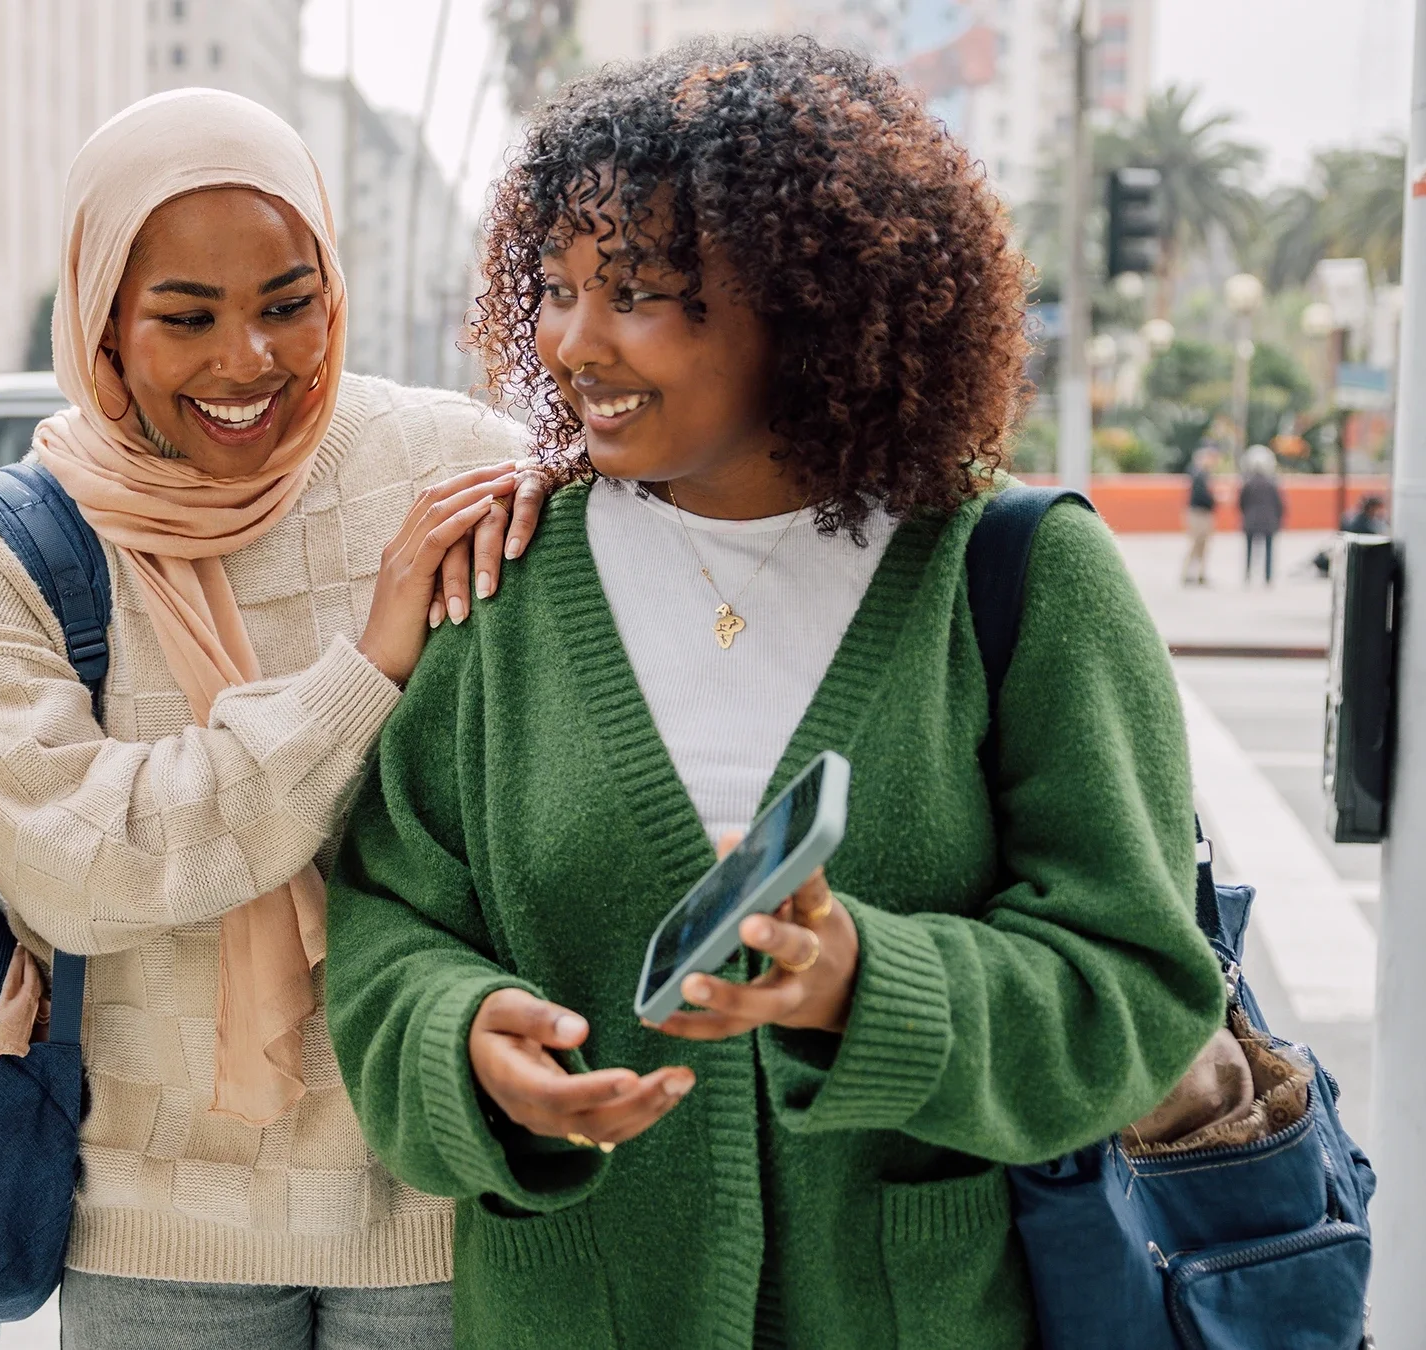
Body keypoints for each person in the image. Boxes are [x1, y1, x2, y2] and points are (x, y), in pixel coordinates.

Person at [324, 39, 1227, 1349]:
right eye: (559, 286)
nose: (573, 340)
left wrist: (871, 985)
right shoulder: (506, 578)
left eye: (639, 290)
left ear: (816, 300)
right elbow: (385, 925)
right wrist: (462, 1046)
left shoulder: (1017, 578)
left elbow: (1137, 986)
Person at [0, 89, 549, 1349]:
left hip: (440, 1200)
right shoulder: (7, 543)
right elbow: (80, 872)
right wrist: (366, 667)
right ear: (101, 312)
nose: (248, 361)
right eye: (186, 318)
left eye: (287, 303)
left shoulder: (461, 468)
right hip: (159, 1226)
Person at [1238, 444, 1284, 585]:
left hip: (1250, 520)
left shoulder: (1248, 483)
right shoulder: (1272, 483)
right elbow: (1279, 504)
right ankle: (1268, 577)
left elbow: (1241, 502)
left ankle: (1248, 575)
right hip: (1269, 521)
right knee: (1269, 551)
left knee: (1249, 551)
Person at [1182, 445, 1219, 585]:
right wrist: (1215, 500)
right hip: (1198, 513)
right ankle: (1188, 573)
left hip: (1204, 513)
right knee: (1195, 544)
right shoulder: (1198, 474)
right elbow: (1201, 496)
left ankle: (1200, 574)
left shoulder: (1204, 474)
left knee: (1203, 545)